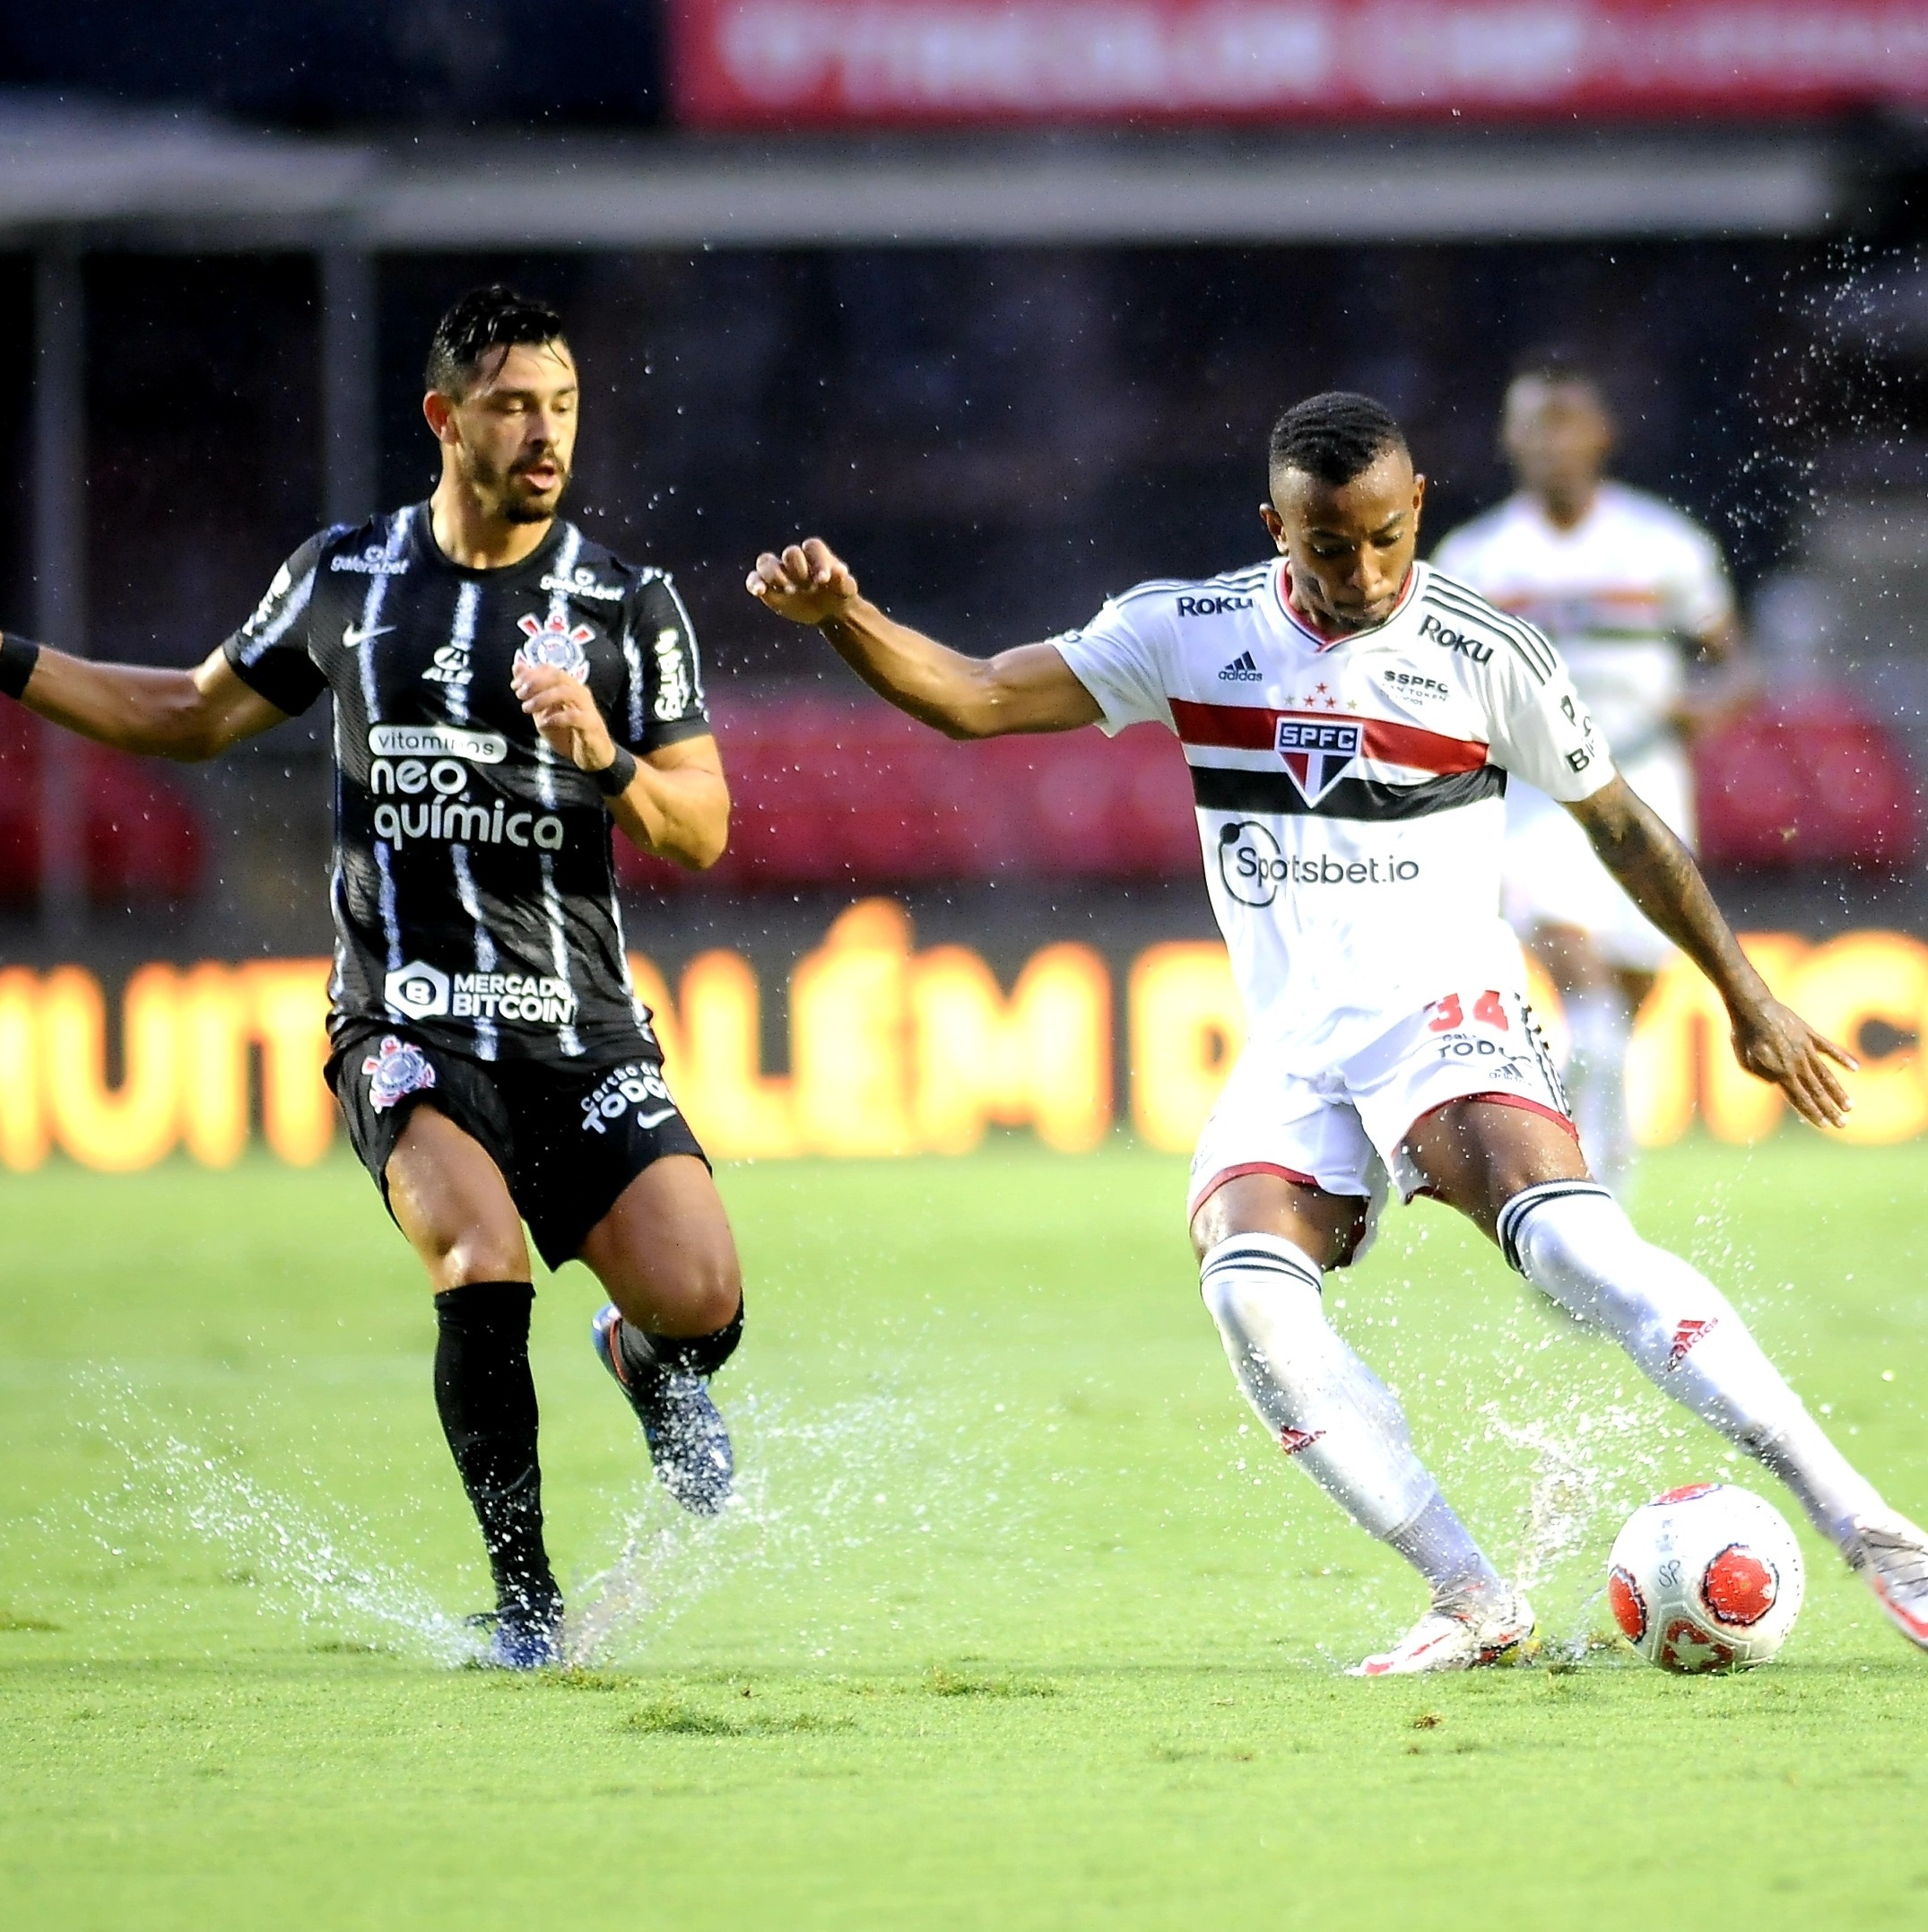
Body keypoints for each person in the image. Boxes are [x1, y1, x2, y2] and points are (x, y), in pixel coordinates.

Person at [745, 391, 1928, 1675]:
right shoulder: (1188, 632)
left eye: (1380, 537)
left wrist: (1744, 996)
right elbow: (975, 695)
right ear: (1276, 529)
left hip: (1446, 1009)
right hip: (1296, 1042)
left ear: (1415, 506)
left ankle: (1877, 1534)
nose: (1360, 571)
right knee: (1248, 1294)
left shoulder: (1489, 654)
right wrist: (846, 622)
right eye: (1325, 546)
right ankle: (1473, 1598)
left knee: (1580, 1251)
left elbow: (1625, 827)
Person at [0, 285, 746, 1668]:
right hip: (401, 1019)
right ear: (443, 416)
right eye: (515, 405)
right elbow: (189, 712)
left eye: (564, 405)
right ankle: (528, 1606)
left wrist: (601, 754)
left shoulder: (625, 604)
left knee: (703, 1301)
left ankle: (644, 1363)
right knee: (478, 1256)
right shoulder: (349, 575)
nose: (545, 434)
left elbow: (701, 828)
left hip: (579, 1030)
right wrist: (13, 659)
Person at [1434, 357, 1750, 1193]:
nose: (1551, 442)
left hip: (1645, 785)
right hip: (1538, 797)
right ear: (1509, 438)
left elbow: (1734, 662)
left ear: (1602, 433)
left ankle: (1589, 1150)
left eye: (1567, 421)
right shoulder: (1476, 559)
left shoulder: (1662, 545)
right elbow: (1433, 684)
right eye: (1535, 424)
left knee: (1620, 1011)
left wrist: (1708, 707)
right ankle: (1582, 1188)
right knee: (1591, 1009)